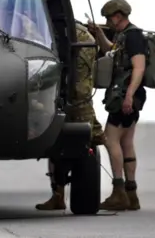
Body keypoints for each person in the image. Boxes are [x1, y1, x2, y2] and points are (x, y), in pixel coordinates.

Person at [35, 21, 105, 211]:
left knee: (71, 139)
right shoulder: (75, 32)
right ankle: (58, 195)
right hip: (71, 102)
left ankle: (58, 195)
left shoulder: (73, 35)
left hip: (72, 105)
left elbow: (80, 91)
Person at [88, 0, 145, 211]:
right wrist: (99, 34)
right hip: (126, 94)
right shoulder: (124, 37)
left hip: (125, 95)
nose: (108, 22)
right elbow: (112, 51)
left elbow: (138, 67)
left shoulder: (134, 37)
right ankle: (132, 195)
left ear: (118, 16)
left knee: (111, 139)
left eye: (109, 18)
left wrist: (129, 95)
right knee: (126, 142)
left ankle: (119, 191)